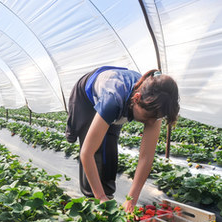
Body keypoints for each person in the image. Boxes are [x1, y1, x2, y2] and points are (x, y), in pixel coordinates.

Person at [66, 66, 179, 213]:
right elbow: (87, 153)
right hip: (86, 97)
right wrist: (100, 197)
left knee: (109, 150)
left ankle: (108, 197)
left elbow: (146, 157)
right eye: (148, 117)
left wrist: (131, 200)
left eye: (156, 118)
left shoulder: (155, 106)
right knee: (97, 151)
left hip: (123, 101)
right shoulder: (113, 100)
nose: (151, 123)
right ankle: (92, 202)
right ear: (136, 99)